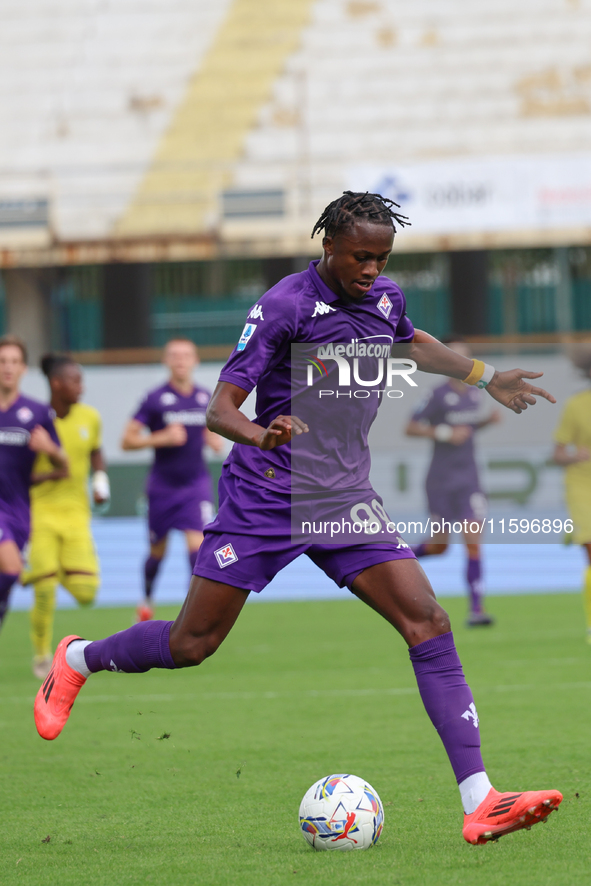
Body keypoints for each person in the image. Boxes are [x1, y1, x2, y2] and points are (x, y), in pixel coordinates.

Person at [35, 192, 562, 845]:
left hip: (341, 498)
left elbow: (411, 343)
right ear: (328, 248)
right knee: (191, 645)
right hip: (266, 494)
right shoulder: (284, 306)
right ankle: (79, 659)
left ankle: (480, 800)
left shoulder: (384, 298)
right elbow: (220, 409)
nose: (371, 269)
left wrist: (484, 377)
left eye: (381, 257)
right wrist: (261, 435)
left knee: (426, 621)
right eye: (359, 257)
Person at [121, 338, 224, 621]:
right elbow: (127, 441)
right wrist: (160, 438)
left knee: (198, 548)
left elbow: (213, 433)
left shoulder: (206, 398)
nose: (180, 360)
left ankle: (193, 611)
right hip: (163, 488)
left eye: (186, 355)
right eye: (174, 355)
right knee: (157, 552)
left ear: (195, 361)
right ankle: (146, 601)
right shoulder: (155, 399)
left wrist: (212, 439)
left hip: (195, 486)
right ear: (166, 361)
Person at [23, 355, 109, 679]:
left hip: (77, 515)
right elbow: (18, 473)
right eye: (75, 381)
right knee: (44, 592)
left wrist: (100, 482)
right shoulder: (36, 421)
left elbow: (96, 451)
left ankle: (42, 571)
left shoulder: (90, 417)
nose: (81, 388)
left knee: (87, 593)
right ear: (57, 384)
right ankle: (42, 657)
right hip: (40, 514)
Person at [405, 335, 500, 627]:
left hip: (469, 478)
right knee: (439, 546)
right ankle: (395, 560)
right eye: (457, 357)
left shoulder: (475, 394)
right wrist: (445, 433)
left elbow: (466, 429)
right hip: (441, 480)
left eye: (467, 358)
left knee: (473, 543)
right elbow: (410, 427)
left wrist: (484, 424)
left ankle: (476, 610)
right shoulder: (437, 394)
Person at [0, 335, 67, 633]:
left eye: (14, 362)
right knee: (13, 568)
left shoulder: (37, 412)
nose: (7, 368)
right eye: (2, 361)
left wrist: (50, 450)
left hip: (19, 509)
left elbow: (63, 465)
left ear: (24, 368)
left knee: (10, 577)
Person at [553, 346, 591, 643]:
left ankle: (574, 531)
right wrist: (576, 454)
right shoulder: (577, 406)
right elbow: (558, 453)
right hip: (582, 487)